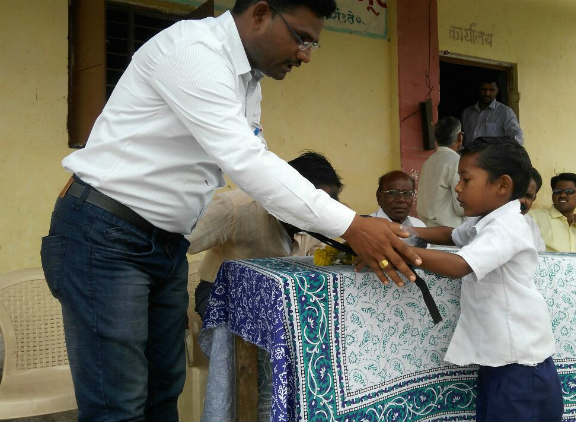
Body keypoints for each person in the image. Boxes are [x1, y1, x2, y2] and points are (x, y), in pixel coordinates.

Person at [39, 1, 420, 421]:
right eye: (301, 38)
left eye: (312, 44)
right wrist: (352, 225)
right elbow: (247, 162)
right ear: (260, 13)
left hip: (164, 243)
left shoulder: (247, 80)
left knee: (163, 392)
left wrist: (346, 230)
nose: (305, 55)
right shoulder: (194, 50)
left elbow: (257, 166)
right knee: (118, 405)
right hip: (107, 234)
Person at [405, 137, 563, 421]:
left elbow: (459, 265)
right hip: (501, 360)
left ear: (502, 185)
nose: (457, 187)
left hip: (521, 367)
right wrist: (405, 233)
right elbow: (451, 235)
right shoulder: (487, 220)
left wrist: (400, 251)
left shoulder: (507, 225)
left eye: (466, 179)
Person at [188, 151, 341, 314]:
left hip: (280, 296)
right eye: (313, 206)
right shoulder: (235, 208)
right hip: (222, 291)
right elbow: (179, 243)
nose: (317, 213)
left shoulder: (319, 220)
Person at [416, 116, 464, 228]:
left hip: (427, 229)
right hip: (449, 231)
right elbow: (461, 208)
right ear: (460, 137)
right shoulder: (457, 162)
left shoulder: (428, 162)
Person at [461, 79, 523, 147]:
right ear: (478, 90)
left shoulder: (505, 112)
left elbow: (517, 138)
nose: (487, 93)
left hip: (493, 154)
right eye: (483, 89)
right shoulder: (467, 113)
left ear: (497, 91)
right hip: (468, 153)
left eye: (492, 90)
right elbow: (461, 139)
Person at [371, 170, 426, 245]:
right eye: (392, 193)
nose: (401, 199)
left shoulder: (419, 225)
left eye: (407, 193)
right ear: (379, 196)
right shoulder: (368, 227)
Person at [520, 167, 546, 252]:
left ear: (534, 199)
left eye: (528, 196)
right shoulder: (487, 218)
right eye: (518, 193)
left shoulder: (530, 223)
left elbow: (540, 254)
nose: (521, 200)